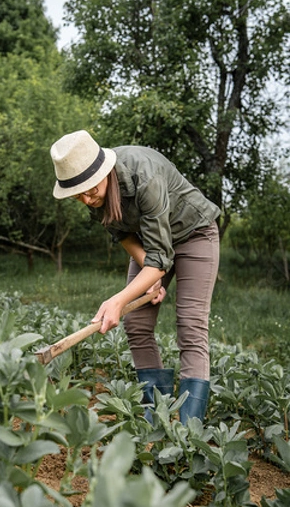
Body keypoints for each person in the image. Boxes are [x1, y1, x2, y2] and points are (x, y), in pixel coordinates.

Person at [50, 129, 220, 424]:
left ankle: (189, 431)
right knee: (137, 322)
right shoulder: (92, 194)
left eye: (91, 191)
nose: (88, 200)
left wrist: (118, 299)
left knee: (190, 325)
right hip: (150, 244)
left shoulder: (145, 174)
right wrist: (150, 274)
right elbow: (122, 233)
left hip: (195, 235)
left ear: (104, 171)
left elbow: (161, 259)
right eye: (79, 196)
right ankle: (157, 416)